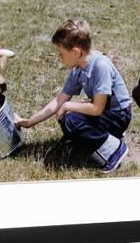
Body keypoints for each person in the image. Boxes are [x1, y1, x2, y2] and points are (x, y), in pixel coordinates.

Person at [15, 19, 132, 173]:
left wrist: (67, 106)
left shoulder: (100, 66)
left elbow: (97, 109)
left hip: (118, 116)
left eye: (61, 53)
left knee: (71, 119)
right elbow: (59, 100)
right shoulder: (78, 68)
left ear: (76, 52)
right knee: (67, 119)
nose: (59, 57)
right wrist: (30, 122)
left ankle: (115, 150)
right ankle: (102, 136)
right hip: (104, 112)